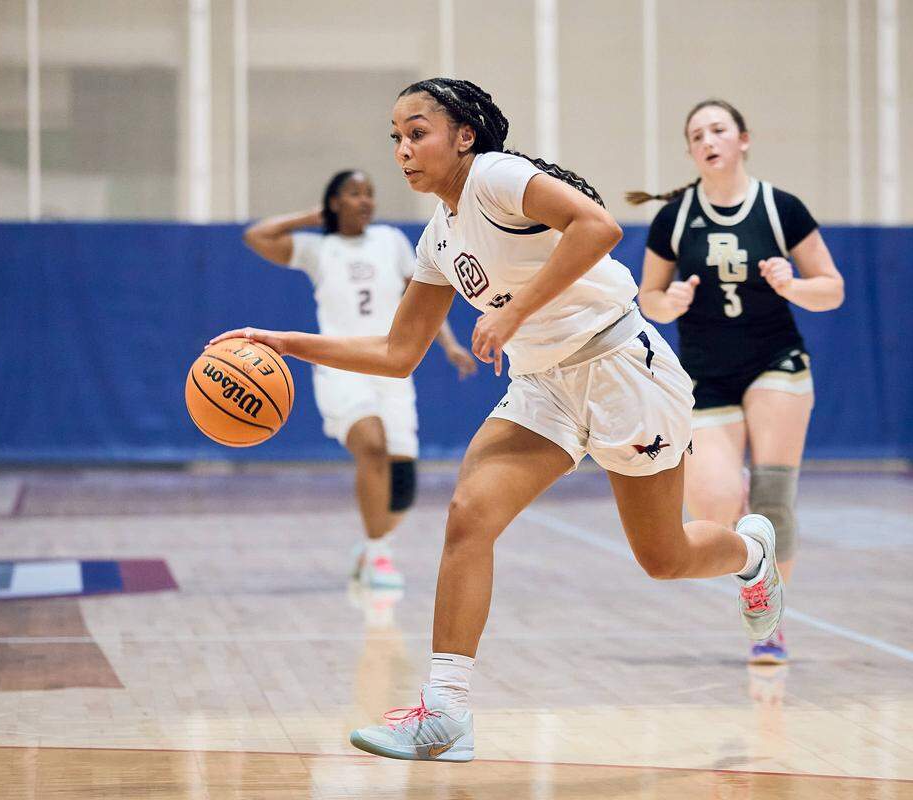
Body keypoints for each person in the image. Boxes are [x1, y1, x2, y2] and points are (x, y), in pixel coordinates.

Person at [211, 77, 785, 763]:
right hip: (544, 384)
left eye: (416, 131)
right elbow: (398, 354)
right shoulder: (437, 238)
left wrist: (513, 312)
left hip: (621, 367)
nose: (403, 148)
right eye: (394, 136)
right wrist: (286, 343)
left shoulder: (497, 176)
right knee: (468, 515)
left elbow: (598, 228)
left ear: (464, 135)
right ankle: (446, 713)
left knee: (663, 558)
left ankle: (751, 552)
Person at [629, 99, 844, 665]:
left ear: (743, 139)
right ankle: (753, 564)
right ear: (691, 151)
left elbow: (833, 287)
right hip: (706, 374)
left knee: (773, 496)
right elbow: (646, 298)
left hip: (776, 361)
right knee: (715, 505)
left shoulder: (780, 208)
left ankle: (770, 623)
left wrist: (793, 286)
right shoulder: (673, 219)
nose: (709, 139)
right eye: (697, 133)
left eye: (719, 129)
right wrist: (666, 303)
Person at [242, 169, 477, 589]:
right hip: (340, 369)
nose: (365, 200)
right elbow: (257, 236)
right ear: (335, 202)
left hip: (390, 369)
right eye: (353, 194)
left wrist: (449, 344)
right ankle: (379, 558)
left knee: (401, 490)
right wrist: (311, 217)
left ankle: (371, 546)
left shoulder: (391, 241)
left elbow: (420, 300)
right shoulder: (320, 249)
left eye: (369, 192)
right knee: (372, 445)